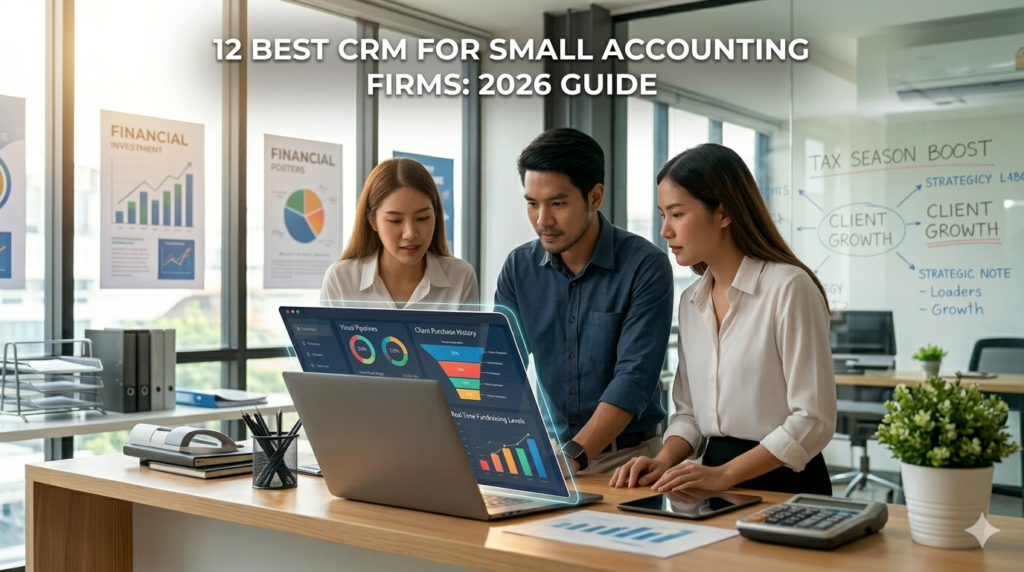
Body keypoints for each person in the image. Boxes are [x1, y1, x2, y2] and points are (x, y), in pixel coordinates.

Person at [610, 143, 836, 495]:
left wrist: (726, 474)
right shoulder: (691, 300)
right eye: (662, 215)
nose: (665, 230)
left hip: (784, 483)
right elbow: (689, 413)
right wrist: (663, 460)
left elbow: (813, 419)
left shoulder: (789, 287)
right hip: (713, 481)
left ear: (724, 214)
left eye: (677, 214)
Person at [495, 127, 674, 475]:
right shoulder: (518, 268)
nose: (543, 220)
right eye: (532, 204)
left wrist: (573, 456)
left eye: (557, 203)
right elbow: (502, 366)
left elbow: (633, 379)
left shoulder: (645, 266)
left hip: (628, 460)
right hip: (550, 454)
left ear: (595, 197)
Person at [321, 158, 478, 309]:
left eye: (422, 218)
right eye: (395, 220)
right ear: (372, 220)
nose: (410, 234)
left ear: (435, 215)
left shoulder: (460, 277)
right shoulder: (341, 279)